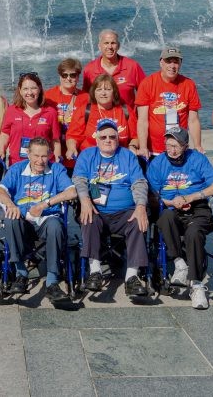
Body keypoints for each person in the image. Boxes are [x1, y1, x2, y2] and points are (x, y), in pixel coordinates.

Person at [146, 128, 213, 310]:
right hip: (169, 206)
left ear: (185, 146)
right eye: (168, 145)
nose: (172, 150)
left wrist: (193, 197)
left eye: (176, 146)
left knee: (194, 232)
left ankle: (196, 284)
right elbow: (151, 194)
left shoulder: (197, 159)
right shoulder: (158, 163)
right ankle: (179, 263)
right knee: (165, 217)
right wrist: (170, 201)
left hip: (197, 206)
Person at [0, 137, 76, 303]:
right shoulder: (17, 169)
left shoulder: (57, 169)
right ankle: (20, 272)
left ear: (50, 155)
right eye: (36, 156)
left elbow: (72, 192)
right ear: (28, 155)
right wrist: (10, 205)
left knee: (55, 225)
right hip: (23, 219)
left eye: (44, 156)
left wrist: (45, 204)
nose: (40, 161)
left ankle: (52, 281)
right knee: (11, 219)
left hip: (47, 218)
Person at [73, 119, 150, 297]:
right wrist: (85, 200)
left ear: (118, 138)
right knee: (88, 217)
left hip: (124, 212)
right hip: (97, 211)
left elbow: (139, 182)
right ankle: (95, 272)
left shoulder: (127, 156)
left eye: (112, 137)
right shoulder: (87, 155)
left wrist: (140, 206)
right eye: (104, 137)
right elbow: (79, 180)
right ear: (97, 139)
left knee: (138, 219)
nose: (108, 140)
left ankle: (132, 277)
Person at [136, 46, 202, 158]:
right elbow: (142, 121)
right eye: (168, 61)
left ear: (180, 64)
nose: (172, 66)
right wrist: (143, 147)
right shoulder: (147, 83)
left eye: (176, 62)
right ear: (161, 62)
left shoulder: (188, 84)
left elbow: (193, 120)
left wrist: (197, 145)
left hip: (180, 148)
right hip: (154, 150)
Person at [66, 73, 139, 159]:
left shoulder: (125, 110)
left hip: (120, 159)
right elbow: (73, 136)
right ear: (94, 93)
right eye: (99, 90)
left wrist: (133, 147)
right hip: (91, 159)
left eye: (108, 89)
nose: (103, 93)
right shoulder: (84, 111)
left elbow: (135, 137)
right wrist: (71, 148)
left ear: (114, 92)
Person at [0, 72, 62, 164]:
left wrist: (57, 163)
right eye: (25, 89)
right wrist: (0, 151)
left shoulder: (50, 112)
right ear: (20, 90)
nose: (29, 92)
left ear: (39, 89)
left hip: (41, 165)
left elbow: (55, 141)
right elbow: (5, 135)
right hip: (16, 164)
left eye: (33, 88)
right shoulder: (11, 111)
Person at [81, 29, 146, 109]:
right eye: (106, 43)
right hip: (100, 119)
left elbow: (145, 93)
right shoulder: (89, 69)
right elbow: (86, 98)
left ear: (118, 46)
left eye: (113, 43)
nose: (110, 47)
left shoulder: (132, 66)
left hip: (128, 118)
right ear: (99, 46)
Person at [44, 58, 89, 168]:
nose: (68, 78)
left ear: (78, 77)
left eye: (72, 75)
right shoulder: (48, 96)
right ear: (60, 76)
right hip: (54, 149)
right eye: (65, 75)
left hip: (76, 150)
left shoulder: (86, 97)